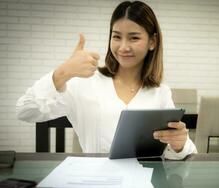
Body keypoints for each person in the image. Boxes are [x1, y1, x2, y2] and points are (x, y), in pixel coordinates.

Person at [16, 1, 197, 159]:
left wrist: (179, 144)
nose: (123, 47)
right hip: (95, 186)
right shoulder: (84, 82)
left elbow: (184, 154)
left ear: (152, 42)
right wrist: (62, 73)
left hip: (144, 186)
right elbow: (25, 110)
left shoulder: (160, 92)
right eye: (116, 36)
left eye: (134, 38)